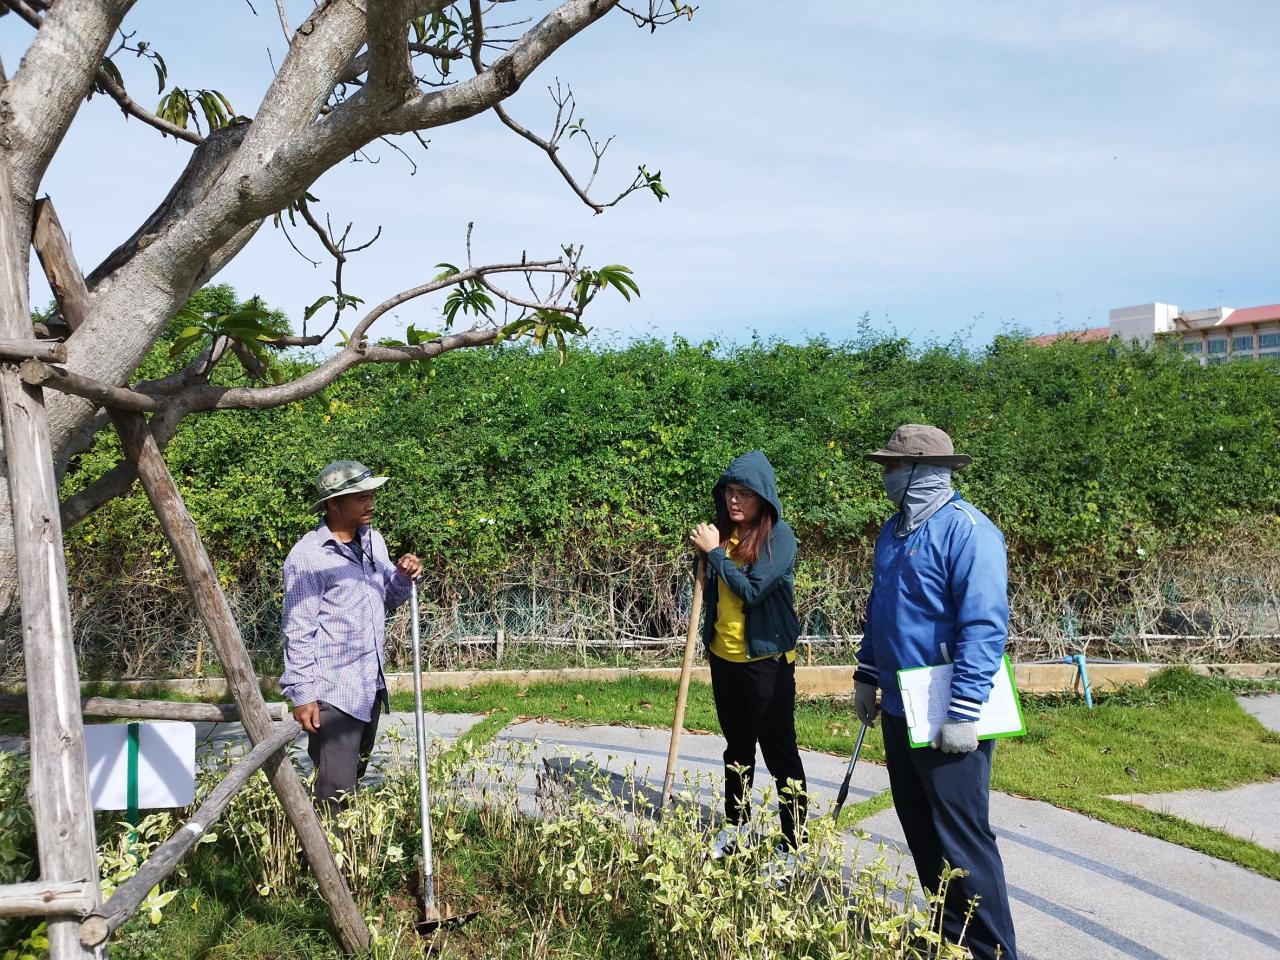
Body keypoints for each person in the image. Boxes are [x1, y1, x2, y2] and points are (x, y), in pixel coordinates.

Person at [853, 425, 1018, 960]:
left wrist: (965, 709)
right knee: (920, 829)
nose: (885, 476)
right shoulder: (893, 532)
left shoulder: (969, 533)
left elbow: (985, 626)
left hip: (950, 710)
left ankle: (993, 950)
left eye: (893, 468)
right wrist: (867, 673)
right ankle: (948, 941)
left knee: (962, 839)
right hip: (903, 706)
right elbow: (882, 610)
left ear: (923, 471)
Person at [279, 460, 422, 810]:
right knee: (333, 794)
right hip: (332, 693)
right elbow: (297, 630)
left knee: (350, 786)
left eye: (371, 495)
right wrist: (302, 695)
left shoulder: (373, 541)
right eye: (360, 497)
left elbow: (389, 599)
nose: (370, 503)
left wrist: (404, 575)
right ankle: (326, 863)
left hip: (368, 687)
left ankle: (346, 861)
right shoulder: (308, 557)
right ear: (333, 503)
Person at [689, 450, 807, 863]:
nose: (733, 501)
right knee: (736, 748)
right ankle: (735, 826)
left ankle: (795, 844)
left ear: (764, 498)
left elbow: (754, 591)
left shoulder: (780, 537)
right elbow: (713, 585)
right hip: (725, 659)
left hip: (767, 663)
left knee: (780, 753)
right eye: (728, 493)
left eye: (744, 493)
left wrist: (716, 554)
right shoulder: (724, 534)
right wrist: (707, 555)